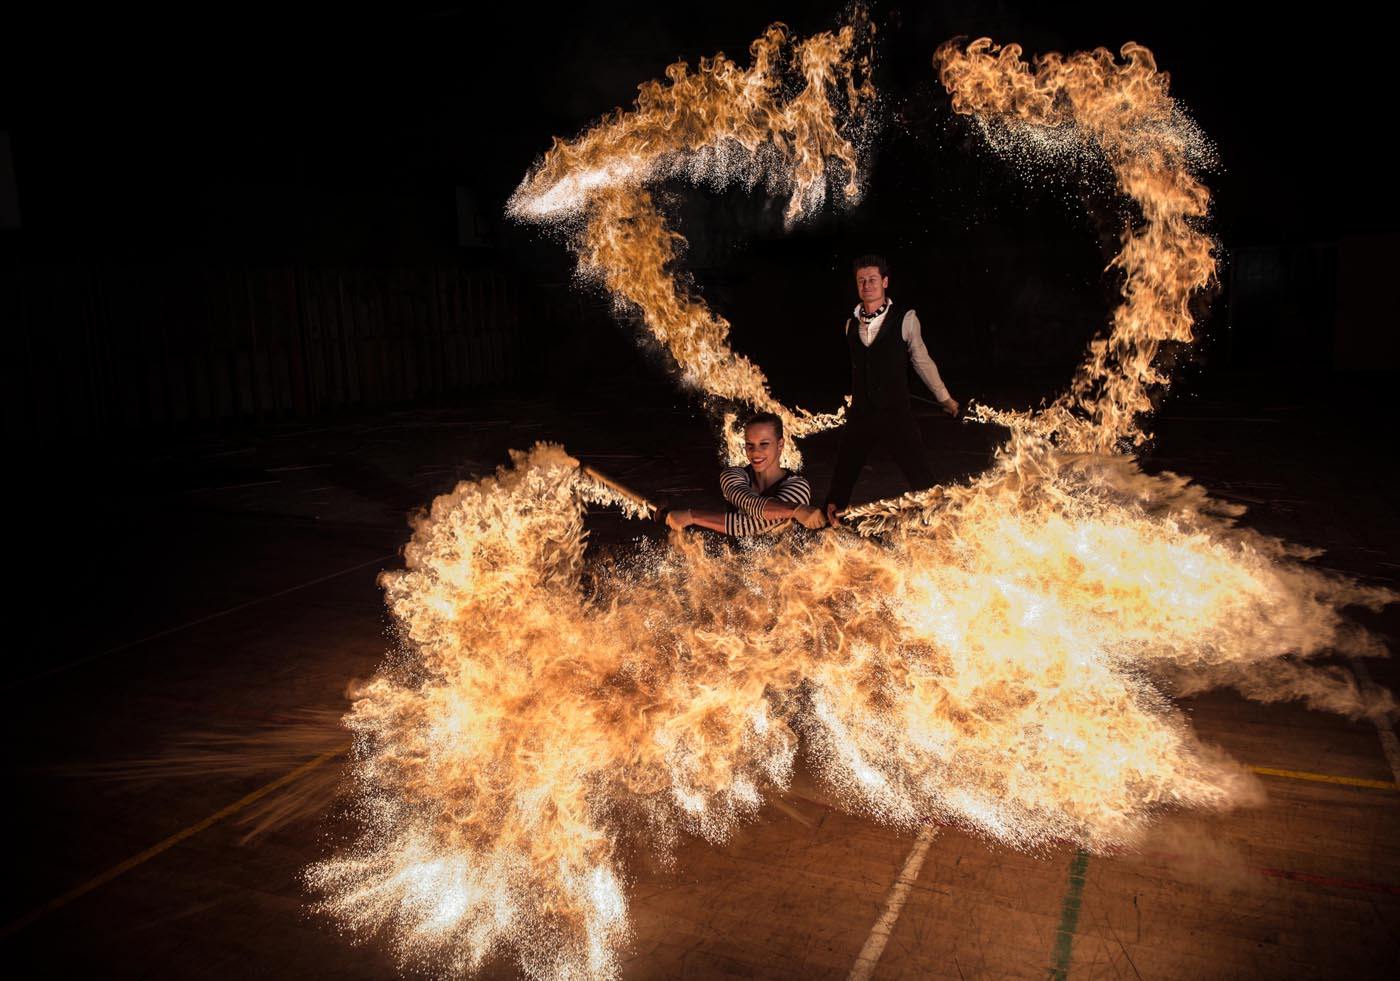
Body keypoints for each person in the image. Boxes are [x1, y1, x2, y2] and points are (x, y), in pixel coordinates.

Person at [824, 254, 959, 526]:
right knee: (843, 474)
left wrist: (945, 398)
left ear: (885, 282)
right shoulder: (850, 324)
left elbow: (922, 361)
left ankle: (944, 524)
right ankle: (829, 525)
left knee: (920, 475)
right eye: (861, 281)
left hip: (896, 414)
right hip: (861, 415)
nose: (867, 285)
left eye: (873, 279)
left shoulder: (906, 320)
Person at [665, 412, 826, 535]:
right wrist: (796, 510)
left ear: (780, 444)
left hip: (784, 573)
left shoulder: (798, 486)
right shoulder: (732, 475)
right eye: (750, 445)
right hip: (733, 567)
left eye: (764, 444)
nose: (755, 452)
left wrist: (691, 516)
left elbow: (747, 525)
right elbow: (748, 502)